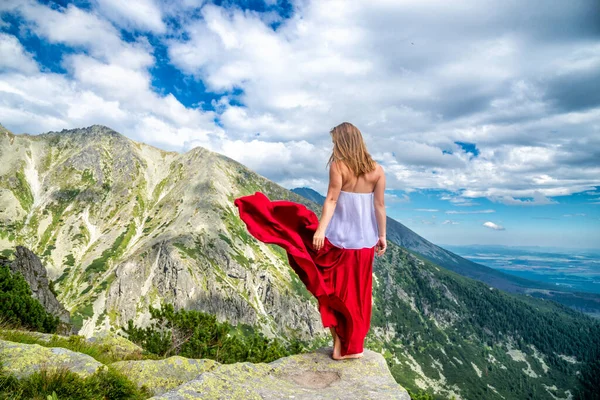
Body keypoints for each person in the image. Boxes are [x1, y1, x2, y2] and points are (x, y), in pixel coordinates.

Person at [234, 122, 386, 361]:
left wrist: (320, 231)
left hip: (340, 242)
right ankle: (353, 348)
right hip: (365, 244)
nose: (334, 145)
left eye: (335, 141)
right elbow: (379, 206)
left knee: (332, 292)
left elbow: (332, 201)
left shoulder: (339, 167)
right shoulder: (377, 170)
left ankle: (339, 346)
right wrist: (382, 236)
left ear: (343, 142)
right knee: (359, 296)